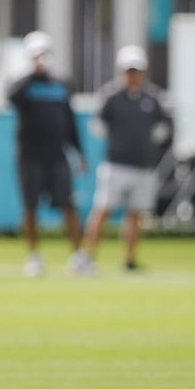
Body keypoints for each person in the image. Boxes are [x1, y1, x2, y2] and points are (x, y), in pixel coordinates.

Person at [72, 45, 172, 274]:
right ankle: (88, 257)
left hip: (143, 165)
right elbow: (98, 127)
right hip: (116, 164)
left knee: (136, 213)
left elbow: (163, 129)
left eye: (136, 70)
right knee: (103, 210)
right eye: (129, 71)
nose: (133, 75)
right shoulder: (111, 96)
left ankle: (129, 260)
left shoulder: (153, 97)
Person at [8, 31, 87, 277]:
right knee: (30, 206)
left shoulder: (62, 84)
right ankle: (34, 257)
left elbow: (69, 120)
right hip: (30, 156)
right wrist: (33, 73)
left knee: (69, 205)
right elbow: (11, 96)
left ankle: (78, 256)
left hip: (57, 155)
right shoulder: (24, 84)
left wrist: (79, 152)